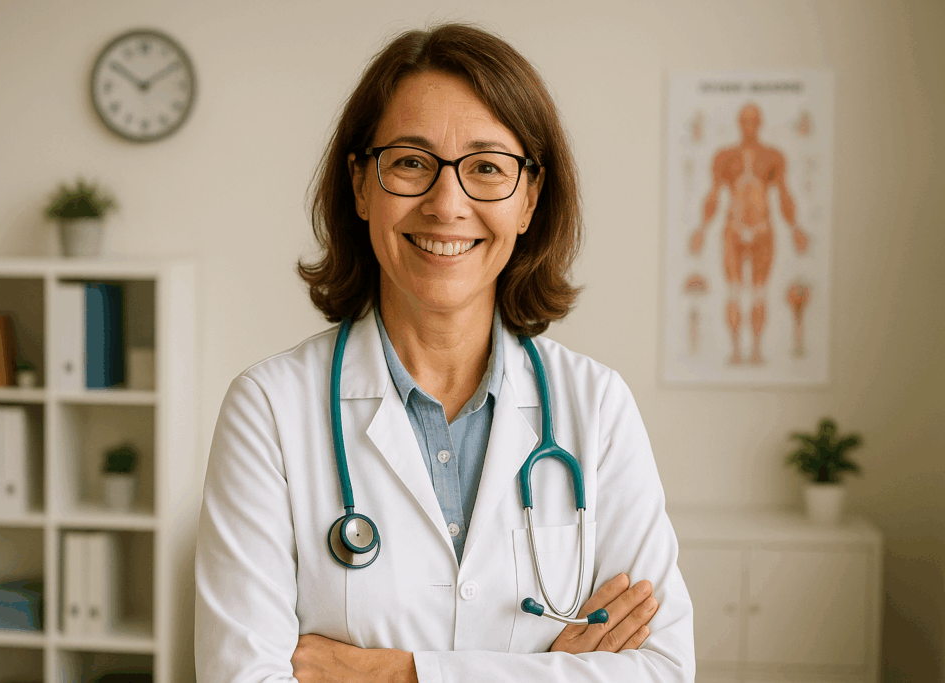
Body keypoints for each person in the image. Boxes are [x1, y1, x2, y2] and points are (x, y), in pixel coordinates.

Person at [195, 23, 694, 683]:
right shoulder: (269, 408)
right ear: (361, 185)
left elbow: (661, 670)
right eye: (410, 161)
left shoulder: (596, 406)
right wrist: (546, 669)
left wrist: (397, 672)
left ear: (529, 199)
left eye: (487, 167)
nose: (447, 203)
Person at [689, 103, 809, 365]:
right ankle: (734, 350)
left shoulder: (773, 157)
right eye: (744, 120)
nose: (749, 125)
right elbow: (713, 196)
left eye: (754, 120)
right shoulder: (724, 157)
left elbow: (784, 196)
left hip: (763, 230)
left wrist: (795, 228)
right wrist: (701, 229)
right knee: (733, 291)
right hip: (733, 229)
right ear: (738, 123)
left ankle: (755, 349)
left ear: (760, 123)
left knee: (758, 292)